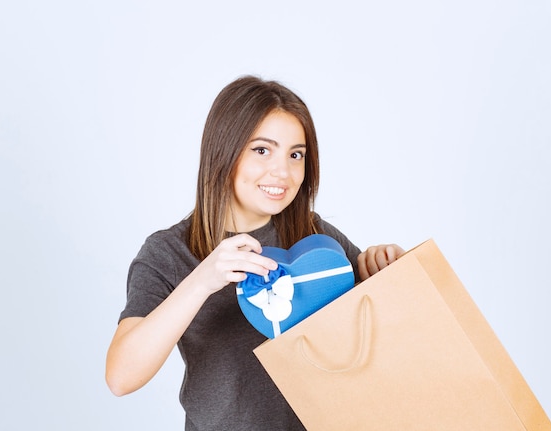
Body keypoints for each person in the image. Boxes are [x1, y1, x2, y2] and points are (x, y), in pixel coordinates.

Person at [105, 75, 404, 430]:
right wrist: (202, 281)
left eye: (296, 155)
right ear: (225, 151)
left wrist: (384, 270)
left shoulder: (315, 234)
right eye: (262, 150)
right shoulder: (169, 251)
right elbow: (121, 377)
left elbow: (388, 334)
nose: (283, 172)